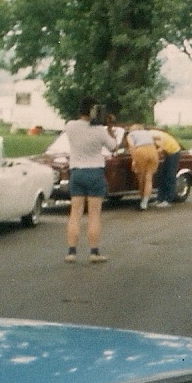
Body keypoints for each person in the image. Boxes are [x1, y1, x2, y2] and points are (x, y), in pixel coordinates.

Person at [64, 97, 118, 263]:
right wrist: (109, 127)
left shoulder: (70, 126)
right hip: (94, 172)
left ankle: (72, 252)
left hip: (76, 172)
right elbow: (113, 146)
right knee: (94, 214)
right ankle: (94, 252)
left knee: (75, 213)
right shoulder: (100, 130)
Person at [126, 124, 159, 210]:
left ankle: (142, 200)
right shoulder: (148, 133)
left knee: (141, 178)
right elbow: (159, 138)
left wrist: (134, 160)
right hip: (153, 151)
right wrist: (161, 148)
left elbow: (131, 146)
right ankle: (145, 202)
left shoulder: (130, 135)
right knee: (149, 178)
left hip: (141, 151)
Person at [152, 129, 182, 208]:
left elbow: (161, 138)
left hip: (173, 152)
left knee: (169, 175)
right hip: (166, 151)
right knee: (161, 175)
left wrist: (160, 149)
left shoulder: (150, 134)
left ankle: (168, 200)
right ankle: (160, 198)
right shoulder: (148, 134)